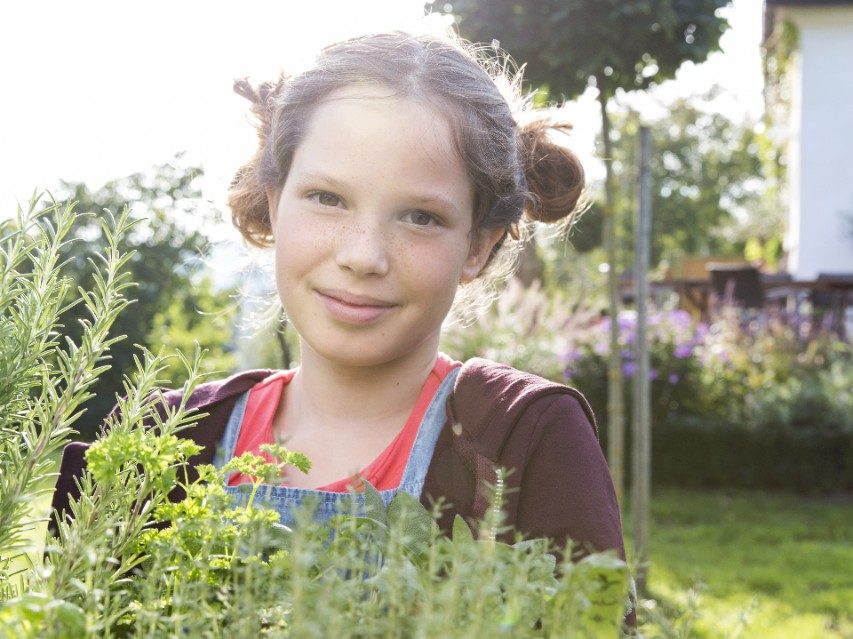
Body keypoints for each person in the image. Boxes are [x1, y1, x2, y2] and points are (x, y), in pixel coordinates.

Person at [52, 30, 626, 569]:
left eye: (420, 216)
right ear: (274, 205)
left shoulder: (525, 438)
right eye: (327, 198)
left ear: (478, 245)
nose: (362, 255)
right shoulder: (165, 437)